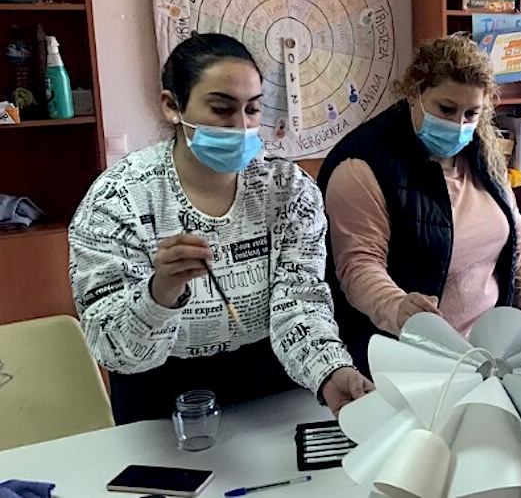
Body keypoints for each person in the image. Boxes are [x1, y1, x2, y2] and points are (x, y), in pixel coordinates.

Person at [69, 33, 371, 424]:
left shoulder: (289, 190)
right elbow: (111, 349)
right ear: (172, 105)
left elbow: (300, 303)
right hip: (161, 400)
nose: (241, 126)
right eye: (222, 109)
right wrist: (159, 294)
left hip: (269, 388)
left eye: (253, 109)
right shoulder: (118, 200)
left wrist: (330, 370)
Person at [318, 34, 521, 376]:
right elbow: (358, 267)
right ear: (414, 92)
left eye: (471, 113)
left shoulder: (483, 151)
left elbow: (516, 244)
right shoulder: (363, 165)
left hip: (488, 354)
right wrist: (398, 307)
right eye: (446, 109)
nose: (458, 125)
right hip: (412, 360)